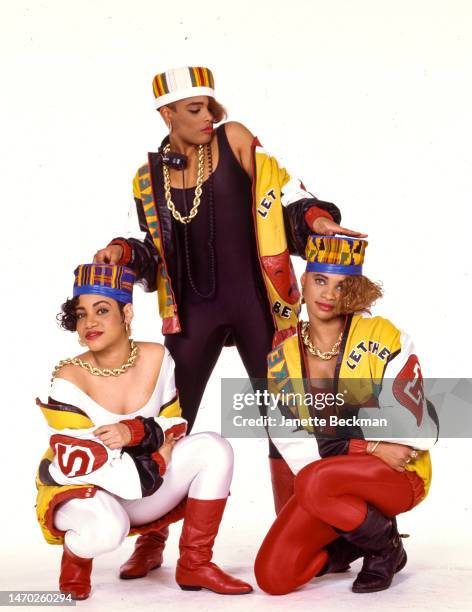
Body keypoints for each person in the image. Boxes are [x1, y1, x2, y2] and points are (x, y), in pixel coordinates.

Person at [93, 65, 366, 577]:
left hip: (258, 304)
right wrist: (121, 252)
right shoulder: (146, 176)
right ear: (166, 113)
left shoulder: (234, 138)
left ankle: (300, 530)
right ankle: (152, 538)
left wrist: (318, 221)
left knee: (285, 417)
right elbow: (155, 253)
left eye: (211, 105)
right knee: (166, 422)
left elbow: (284, 199)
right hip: (191, 312)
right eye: (194, 108)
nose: (209, 116)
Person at [35, 263, 253, 599]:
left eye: (102, 310)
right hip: (85, 492)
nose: (89, 322)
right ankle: (77, 558)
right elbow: (94, 464)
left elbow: (175, 425)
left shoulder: (157, 357)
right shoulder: (68, 379)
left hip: (140, 486)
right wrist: (159, 457)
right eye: (81, 315)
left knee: (214, 448)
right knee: (110, 529)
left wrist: (133, 432)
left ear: (127, 313)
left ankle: (195, 563)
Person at [254, 234, 439, 595]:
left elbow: (418, 430)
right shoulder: (280, 357)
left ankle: (386, 548)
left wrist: (336, 437)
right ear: (302, 282)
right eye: (320, 280)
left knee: (314, 482)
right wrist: (367, 445)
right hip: (329, 482)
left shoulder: (385, 337)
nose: (328, 294)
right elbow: (296, 450)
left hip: (399, 475)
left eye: (342, 286)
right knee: (274, 576)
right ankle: (357, 540)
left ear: (354, 291)